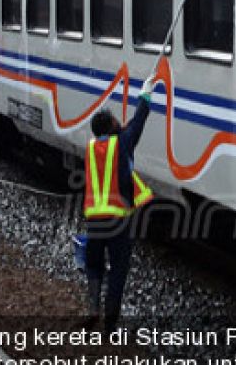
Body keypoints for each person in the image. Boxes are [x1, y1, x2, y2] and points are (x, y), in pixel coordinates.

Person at [83, 71, 158, 331]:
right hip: (118, 222)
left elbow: (122, 133)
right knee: (118, 270)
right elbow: (139, 121)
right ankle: (110, 322)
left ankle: (93, 308)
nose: (118, 121)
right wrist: (145, 94)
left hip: (94, 221)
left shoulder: (92, 148)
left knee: (93, 265)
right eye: (115, 119)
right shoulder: (123, 144)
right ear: (112, 127)